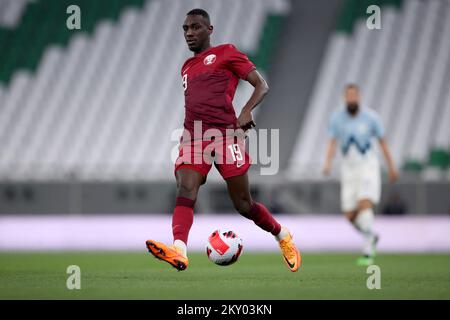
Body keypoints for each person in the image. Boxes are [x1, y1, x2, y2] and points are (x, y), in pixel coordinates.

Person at [146, 9, 301, 272]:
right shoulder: (186, 67)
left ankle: (282, 235)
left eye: (195, 27)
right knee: (186, 189)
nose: (189, 33)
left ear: (210, 29)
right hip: (194, 136)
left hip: (226, 136)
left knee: (243, 204)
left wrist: (246, 110)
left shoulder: (227, 52)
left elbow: (261, 85)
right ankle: (179, 251)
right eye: (185, 29)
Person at [323, 84, 398, 266]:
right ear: (344, 98)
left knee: (364, 202)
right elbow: (333, 142)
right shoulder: (337, 118)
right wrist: (328, 162)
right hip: (348, 169)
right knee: (350, 215)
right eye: (348, 96)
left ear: (359, 97)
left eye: (354, 96)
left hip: (368, 167)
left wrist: (391, 166)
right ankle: (371, 235)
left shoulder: (371, 118)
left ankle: (367, 250)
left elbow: (382, 142)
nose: (351, 99)